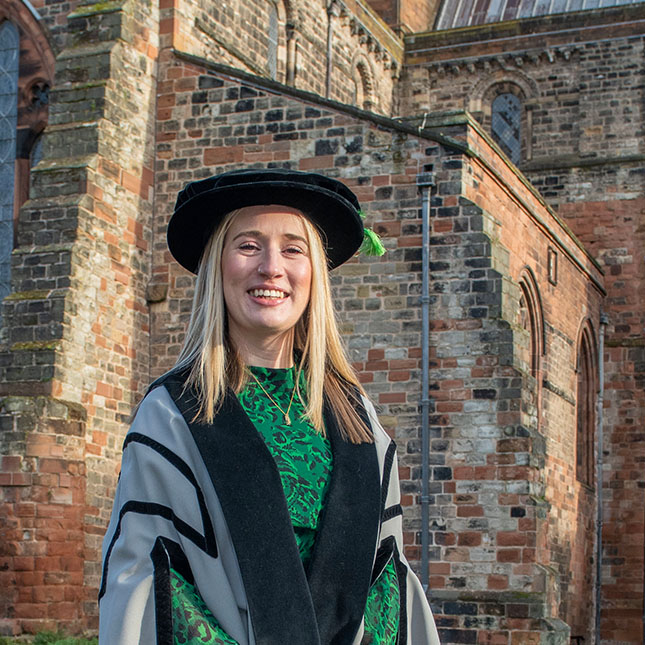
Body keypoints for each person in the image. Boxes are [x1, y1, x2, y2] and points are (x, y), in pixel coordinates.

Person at [98, 168, 441, 645]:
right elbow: (152, 581)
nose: (271, 267)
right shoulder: (174, 415)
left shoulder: (357, 416)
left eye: (293, 248)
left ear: (313, 273)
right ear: (219, 265)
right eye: (248, 245)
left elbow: (386, 577)